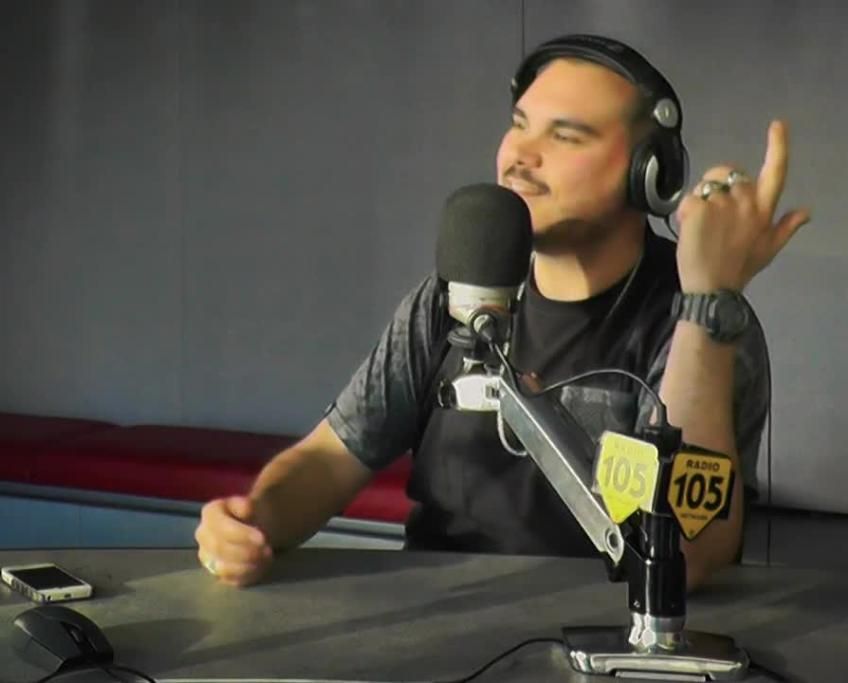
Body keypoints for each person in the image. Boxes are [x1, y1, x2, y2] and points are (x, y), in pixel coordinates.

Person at [195, 34, 809, 591]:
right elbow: (330, 458)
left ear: (650, 174)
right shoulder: (448, 301)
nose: (520, 155)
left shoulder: (702, 323)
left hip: (610, 635)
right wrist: (257, 519)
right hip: (440, 622)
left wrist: (708, 300)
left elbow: (691, 555)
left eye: (565, 136)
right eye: (519, 125)